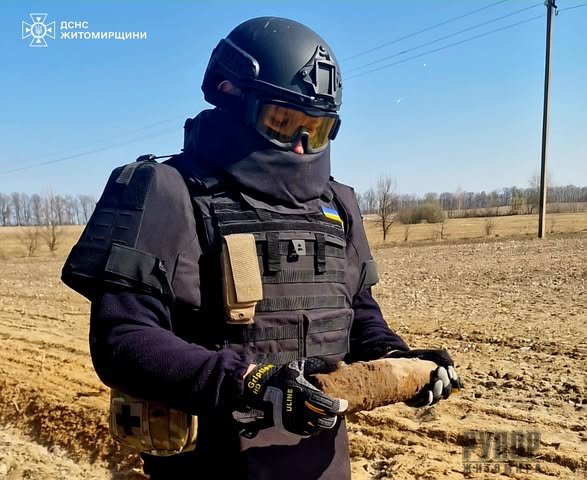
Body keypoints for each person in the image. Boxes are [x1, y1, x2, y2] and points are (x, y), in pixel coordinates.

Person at [62, 16, 461, 479]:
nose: (300, 147)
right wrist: (251, 383)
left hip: (323, 465)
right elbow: (123, 340)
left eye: (315, 130)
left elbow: (357, 314)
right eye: (283, 122)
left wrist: (396, 359)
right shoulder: (165, 191)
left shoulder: (337, 205)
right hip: (211, 467)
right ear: (230, 95)